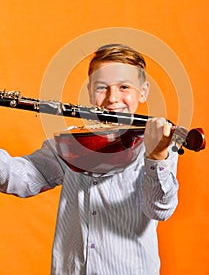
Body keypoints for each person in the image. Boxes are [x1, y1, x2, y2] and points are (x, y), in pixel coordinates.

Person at [0, 44, 179, 275]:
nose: (112, 99)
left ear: (143, 91)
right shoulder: (72, 142)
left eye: (124, 86)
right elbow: (23, 179)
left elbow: (159, 210)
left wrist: (156, 157)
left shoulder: (159, 144)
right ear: (89, 90)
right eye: (102, 87)